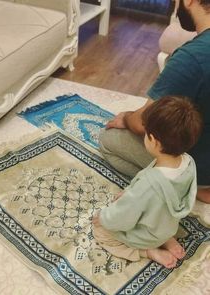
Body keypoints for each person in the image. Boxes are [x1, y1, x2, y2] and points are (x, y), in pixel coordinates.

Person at [99, 0, 210, 203]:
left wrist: (125, 118)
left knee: (108, 139)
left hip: (200, 167)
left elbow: (144, 124)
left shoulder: (191, 57)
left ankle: (187, 187)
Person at [93, 96, 203, 268]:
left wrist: (104, 217)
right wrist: (132, 194)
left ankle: (148, 251)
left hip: (147, 235)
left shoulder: (148, 185)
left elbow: (123, 217)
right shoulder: (188, 162)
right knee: (151, 209)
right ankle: (167, 239)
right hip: (166, 225)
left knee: (102, 233)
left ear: (153, 141)